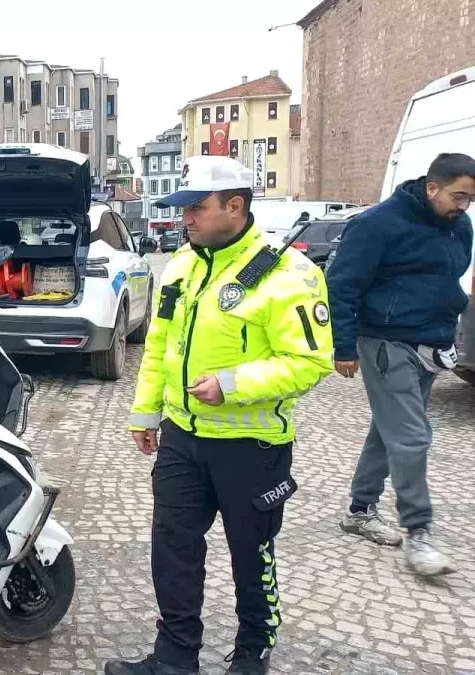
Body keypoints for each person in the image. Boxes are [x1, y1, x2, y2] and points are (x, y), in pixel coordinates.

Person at [106, 156, 334, 675]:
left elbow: (310, 360)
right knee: (173, 551)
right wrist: (145, 415)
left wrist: (232, 386)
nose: (185, 220)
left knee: (251, 556)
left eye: (196, 209)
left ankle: (253, 650)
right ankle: (175, 658)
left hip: (251, 447)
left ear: (236, 206)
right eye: (183, 209)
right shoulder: (184, 265)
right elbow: (161, 343)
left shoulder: (287, 273)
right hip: (182, 439)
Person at [327, 152, 474, 578]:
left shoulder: (459, 226)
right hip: (384, 343)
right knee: (412, 438)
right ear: (432, 187)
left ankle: (359, 509)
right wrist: (344, 348)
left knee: (387, 431)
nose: (464, 206)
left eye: (471, 199)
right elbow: (341, 285)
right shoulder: (377, 225)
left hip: (430, 346)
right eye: (458, 196)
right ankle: (420, 532)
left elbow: (451, 279)